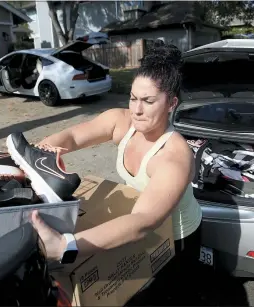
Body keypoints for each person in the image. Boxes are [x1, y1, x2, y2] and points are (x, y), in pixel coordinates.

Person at [30, 42, 203, 303]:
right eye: (133, 98)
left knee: (173, 297)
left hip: (178, 239)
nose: (136, 109)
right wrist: (35, 154)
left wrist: (66, 245)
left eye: (148, 101)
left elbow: (143, 221)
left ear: (171, 103)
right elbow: (74, 136)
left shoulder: (174, 157)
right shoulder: (121, 121)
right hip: (142, 226)